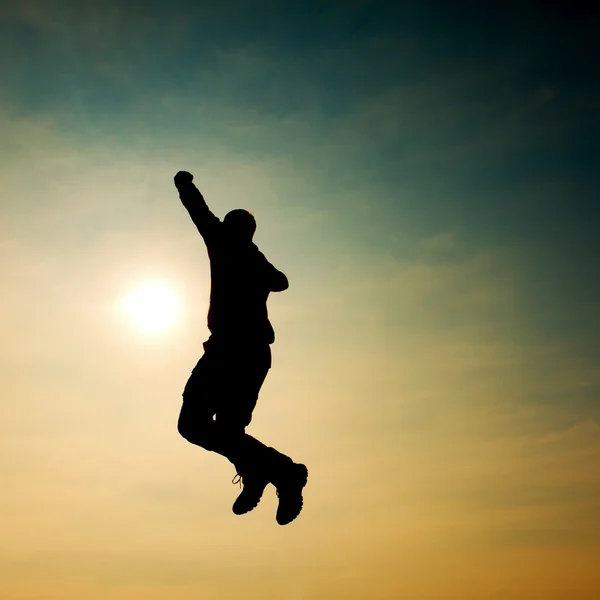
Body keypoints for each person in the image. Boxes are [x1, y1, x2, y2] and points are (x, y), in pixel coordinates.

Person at [173, 170, 308, 525]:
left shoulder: (233, 247)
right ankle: (273, 472)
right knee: (215, 428)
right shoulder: (239, 250)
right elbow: (281, 282)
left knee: (202, 425)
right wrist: (186, 188)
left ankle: (268, 472)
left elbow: (281, 282)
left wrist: (186, 186)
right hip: (239, 352)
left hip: (238, 352)